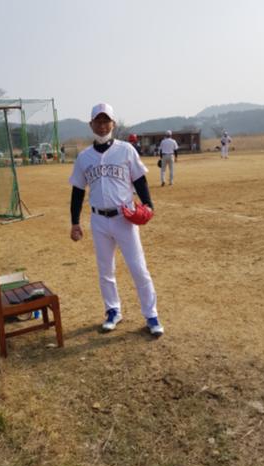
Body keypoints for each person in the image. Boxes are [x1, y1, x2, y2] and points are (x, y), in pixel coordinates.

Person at [69, 102, 164, 337]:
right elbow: (78, 191)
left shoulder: (126, 150)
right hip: (99, 220)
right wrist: (75, 222)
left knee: (138, 268)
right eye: (98, 121)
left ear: (113, 124)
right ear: (91, 124)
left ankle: (151, 315)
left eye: (106, 121)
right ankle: (113, 311)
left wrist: (148, 204)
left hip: (125, 218)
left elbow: (139, 180)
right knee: (105, 270)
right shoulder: (84, 157)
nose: (102, 125)